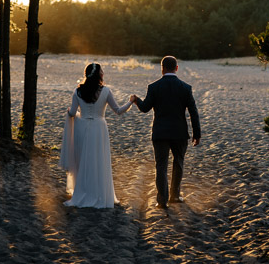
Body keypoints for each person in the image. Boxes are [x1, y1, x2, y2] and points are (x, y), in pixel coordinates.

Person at [59, 62, 135, 208]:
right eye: (102, 71)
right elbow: (118, 111)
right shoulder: (105, 91)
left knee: (83, 160)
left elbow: (73, 113)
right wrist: (130, 102)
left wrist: (68, 112)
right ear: (99, 75)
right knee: (98, 160)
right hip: (99, 128)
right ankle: (98, 192)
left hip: (81, 127)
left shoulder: (78, 91)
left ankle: (83, 191)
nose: (103, 73)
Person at [132, 55, 201, 209]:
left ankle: (161, 201)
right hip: (179, 133)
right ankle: (175, 195)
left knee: (161, 166)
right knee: (178, 163)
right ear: (176, 68)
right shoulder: (185, 88)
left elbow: (145, 108)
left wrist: (136, 100)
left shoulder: (154, 87)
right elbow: (193, 112)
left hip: (160, 133)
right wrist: (197, 134)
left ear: (162, 68)